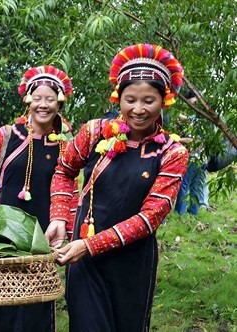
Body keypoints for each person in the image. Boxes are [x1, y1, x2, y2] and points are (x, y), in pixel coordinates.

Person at [47, 43, 189, 331]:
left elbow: (150, 218)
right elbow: (64, 170)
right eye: (130, 99)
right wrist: (60, 216)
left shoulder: (172, 153)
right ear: (118, 98)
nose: (138, 109)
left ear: (164, 101)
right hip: (84, 255)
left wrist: (89, 246)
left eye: (149, 100)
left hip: (132, 261)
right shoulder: (93, 132)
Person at [0, 65, 77, 332]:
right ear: (28, 99)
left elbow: (71, 187)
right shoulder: (6, 136)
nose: (43, 105)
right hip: (3, 235)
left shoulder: (66, 143)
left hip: (43, 236)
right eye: (37, 98)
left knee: (36, 305)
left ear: (59, 101)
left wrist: (69, 229)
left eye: (50, 99)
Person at [174, 91, 208, 215]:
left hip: (194, 157)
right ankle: (193, 212)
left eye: (191, 102)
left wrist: (179, 139)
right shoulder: (205, 116)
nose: (190, 106)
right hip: (203, 157)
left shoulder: (197, 118)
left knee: (184, 185)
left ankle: (180, 212)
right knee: (196, 186)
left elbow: (190, 138)